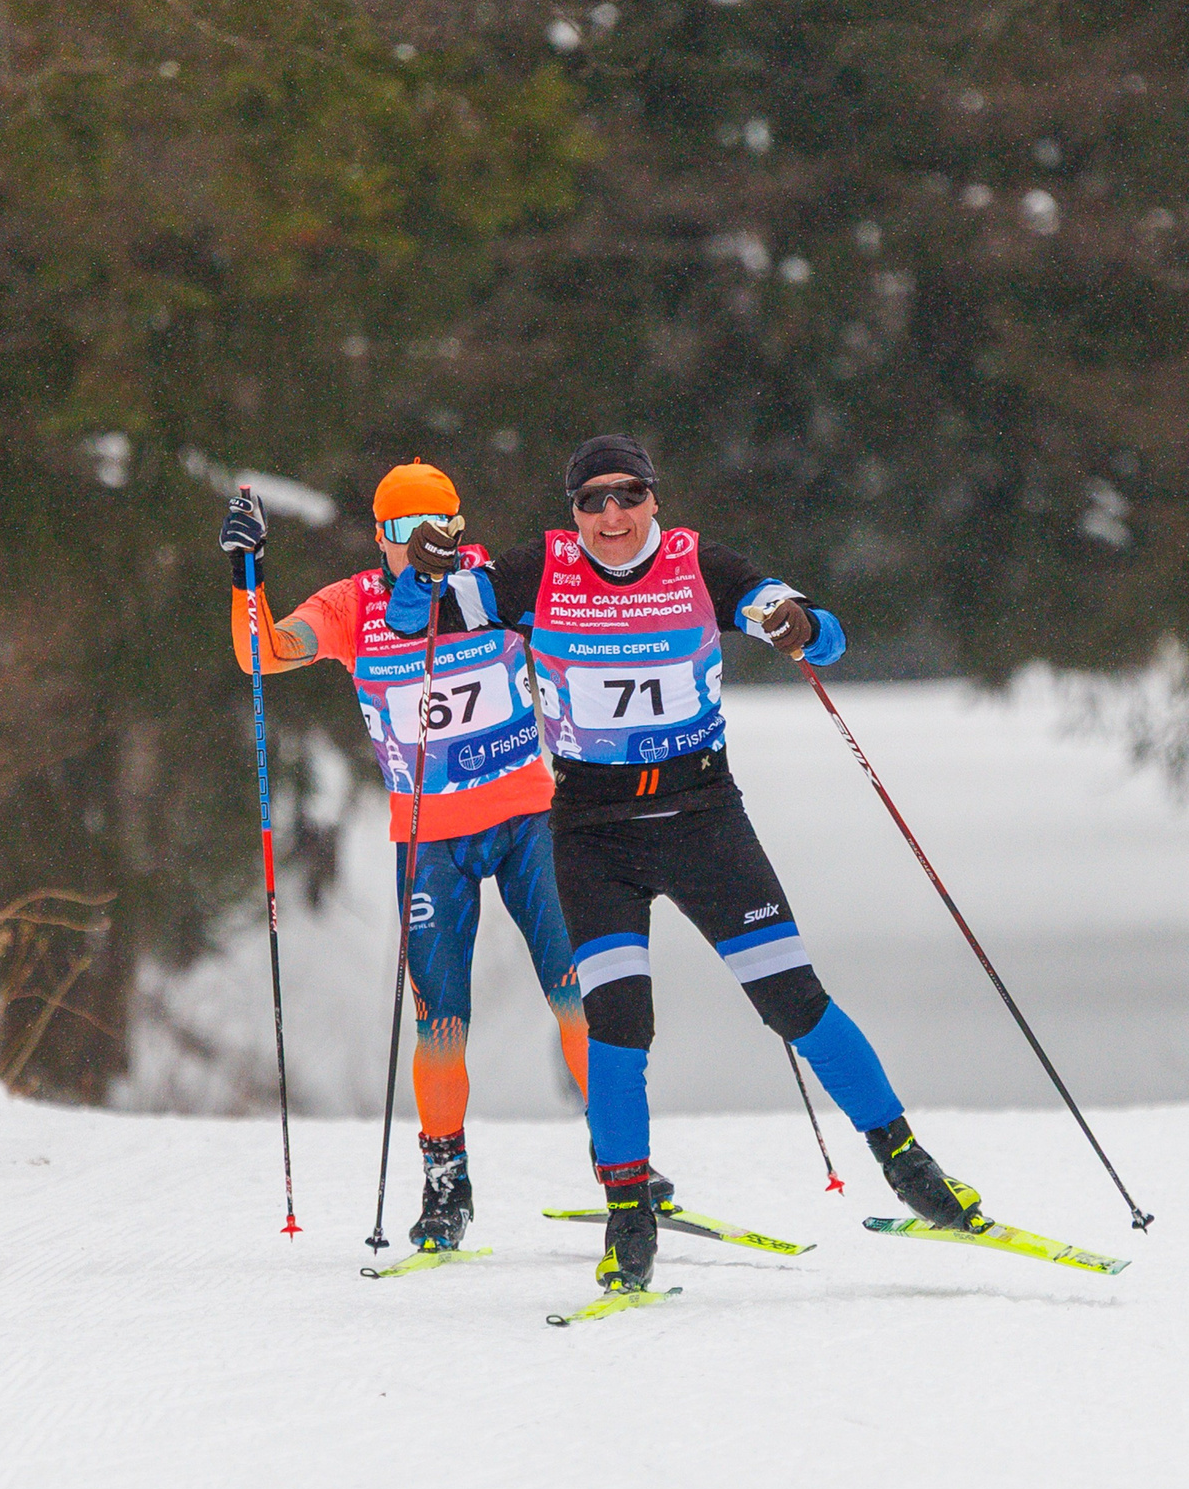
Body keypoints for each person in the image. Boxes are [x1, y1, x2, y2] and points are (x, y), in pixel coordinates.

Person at [386, 434, 990, 1294]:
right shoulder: (537, 573)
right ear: (574, 514)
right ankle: (629, 1219)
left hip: (702, 818)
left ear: (653, 500)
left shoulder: (696, 560)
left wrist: (801, 625)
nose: (612, 514)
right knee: (619, 1027)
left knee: (793, 999)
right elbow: (416, 624)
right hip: (595, 831)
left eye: (627, 494)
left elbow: (821, 638)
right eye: (592, 500)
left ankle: (906, 1161)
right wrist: (423, 572)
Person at [223, 462, 589, 1253]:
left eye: (440, 531)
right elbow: (263, 652)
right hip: (429, 840)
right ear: (381, 538)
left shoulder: (490, 588)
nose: (424, 548)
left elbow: (586, 615)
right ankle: (445, 1182)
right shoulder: (356, 606)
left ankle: (622, 1159)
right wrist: (245, 574)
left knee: (577, 988)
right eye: (402, 533)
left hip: (527, 816)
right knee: (439, 1021)